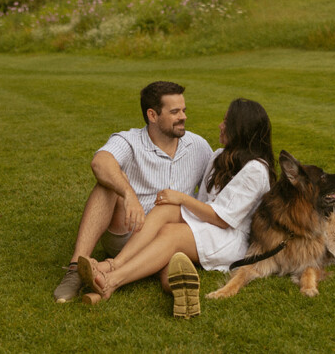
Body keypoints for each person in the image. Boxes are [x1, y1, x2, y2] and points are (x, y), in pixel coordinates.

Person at [76, 98, 276, 318]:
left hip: (229, 237)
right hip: (208, 224)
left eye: (227, 122)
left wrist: (181, 198)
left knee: (171, 233)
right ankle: (114, 263)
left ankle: (111, 281)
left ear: (241, 129)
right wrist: (176, 202)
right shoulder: (220, 156)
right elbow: (204, 204)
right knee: (165, 208)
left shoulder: (256, 170)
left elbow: (222, 219)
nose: (220, 125)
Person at [53, 80, 213, 303]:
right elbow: (100, 163)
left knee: (172, 255)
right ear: (153, 115)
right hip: (127, 231)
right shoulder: (129, 140)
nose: (183, 117)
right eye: (175, 111)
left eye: (184, 110)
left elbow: (216, 189)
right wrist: (129, 195)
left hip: (167, 236)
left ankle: (167, 283)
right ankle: (74, 269)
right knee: (108, 184)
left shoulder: (198, 146)